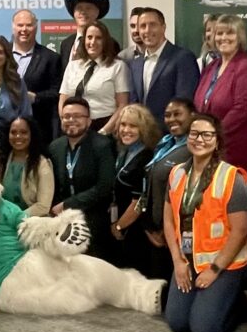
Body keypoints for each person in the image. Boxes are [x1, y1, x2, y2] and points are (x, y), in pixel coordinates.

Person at [163, 114, 247, 332]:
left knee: (204, 330)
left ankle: (243, 301)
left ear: (217, 141)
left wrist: (214, 269)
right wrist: (177, 262)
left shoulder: (231, 177)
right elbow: (168, 221)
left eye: (206, 134)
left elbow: (240, 231)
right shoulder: (177, 174)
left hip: (223, 262)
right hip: (188, 259)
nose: (199, 139)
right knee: (177, 322)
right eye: (194, 133)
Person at [48, 97, 115, 259]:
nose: (71, 120)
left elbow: (104, 187)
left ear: (89, 121)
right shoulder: (55, 147)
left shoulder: (102, 145)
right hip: (61, 220)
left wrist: (68, 204)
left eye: (77, 116)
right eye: (66, 116)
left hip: (93, 218)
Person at [194, 14, 247, 174]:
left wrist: (213, 133)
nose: (223, 38)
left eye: (230, 33)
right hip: (210, 145)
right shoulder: (211, 67)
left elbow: (243, 107)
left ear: (240, 37)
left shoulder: (245, 65)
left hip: (236, 146)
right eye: (219, 33)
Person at [142, 98, 196, 281]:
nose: (172, 119)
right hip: (155, 230)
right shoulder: (165, 143)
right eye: (167, 115)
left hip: (177, 234)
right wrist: (149, 225)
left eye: (177, 114)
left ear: (193, 116)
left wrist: (168, 231)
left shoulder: (194, 149)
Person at [110, 104, 159, 276]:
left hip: (136, 230)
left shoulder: (146, 157)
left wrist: (119, 226)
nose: (126, 130)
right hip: (123, 225)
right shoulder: (124, 152)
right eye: (123, 124)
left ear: (144, 129)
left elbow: (139, 202)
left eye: (132, 126)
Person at [129, 7, 200, 127]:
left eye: (152, 25)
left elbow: (184, 100)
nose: (147, 30)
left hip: (170, 133)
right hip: (143, 134)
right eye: (143, 26)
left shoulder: (183, 57)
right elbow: (134, 102)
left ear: (163, 27)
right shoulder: (135, 64)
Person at [58, 21, 129, 133]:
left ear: (105, 41)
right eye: (89, 37)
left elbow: (122, 105)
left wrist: (104, 131)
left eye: (98, 38)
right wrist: (65, 121)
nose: (93, 42)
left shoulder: (117, 67)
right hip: (73, 127)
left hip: (103, 126)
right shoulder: (72, 66)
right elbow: (63, 99)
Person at [11, 9, 62, 140]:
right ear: (13, 27)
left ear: (36, 27)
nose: (24, 29)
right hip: (5, 126)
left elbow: (57, 93)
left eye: (29, 25)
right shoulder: (0, 54)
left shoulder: (51, 58)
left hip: (37, 128)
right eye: (20, 25)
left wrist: (35, 97)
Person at [0, 116, 54, 217]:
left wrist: (16, 217)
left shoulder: (42, 163)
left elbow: (43, 206)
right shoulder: (0, 161)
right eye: (13, 132)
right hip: (1, 218)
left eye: (23, 132)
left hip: (31, 221)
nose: (18, 136)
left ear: (32, 135)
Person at [58, 0, 118, 73]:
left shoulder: (109, 43)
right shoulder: (66, 44)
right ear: (74, 13)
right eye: (79, 8)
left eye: (88, 8)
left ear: (97, 12)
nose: (83, 12)